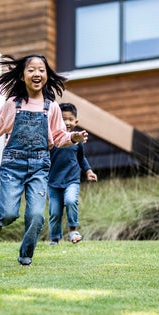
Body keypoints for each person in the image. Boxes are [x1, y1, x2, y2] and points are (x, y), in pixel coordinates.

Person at [0, 54, 87, 266]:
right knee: (10, 212)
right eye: (31, 70)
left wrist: (73, 137)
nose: (37, 74)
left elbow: (59, 138)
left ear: (47, 75)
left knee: (37, 215)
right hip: (13, 166)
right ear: (22, 76)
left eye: (41, 70)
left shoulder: (52, 107)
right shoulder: (13, 104)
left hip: (40, 167)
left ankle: (25, 257)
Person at [47, 102, 98, 246]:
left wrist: (89, 171)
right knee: (55, 212)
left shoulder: (77, 140)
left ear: (76, 121)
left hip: (71, 180)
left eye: (70, 119)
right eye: (63, 119)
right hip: (53, 182)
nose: (67, 122)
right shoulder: (52, 139)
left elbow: (81, 158)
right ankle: (54, 238)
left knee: (70, 201)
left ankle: (72, 231)